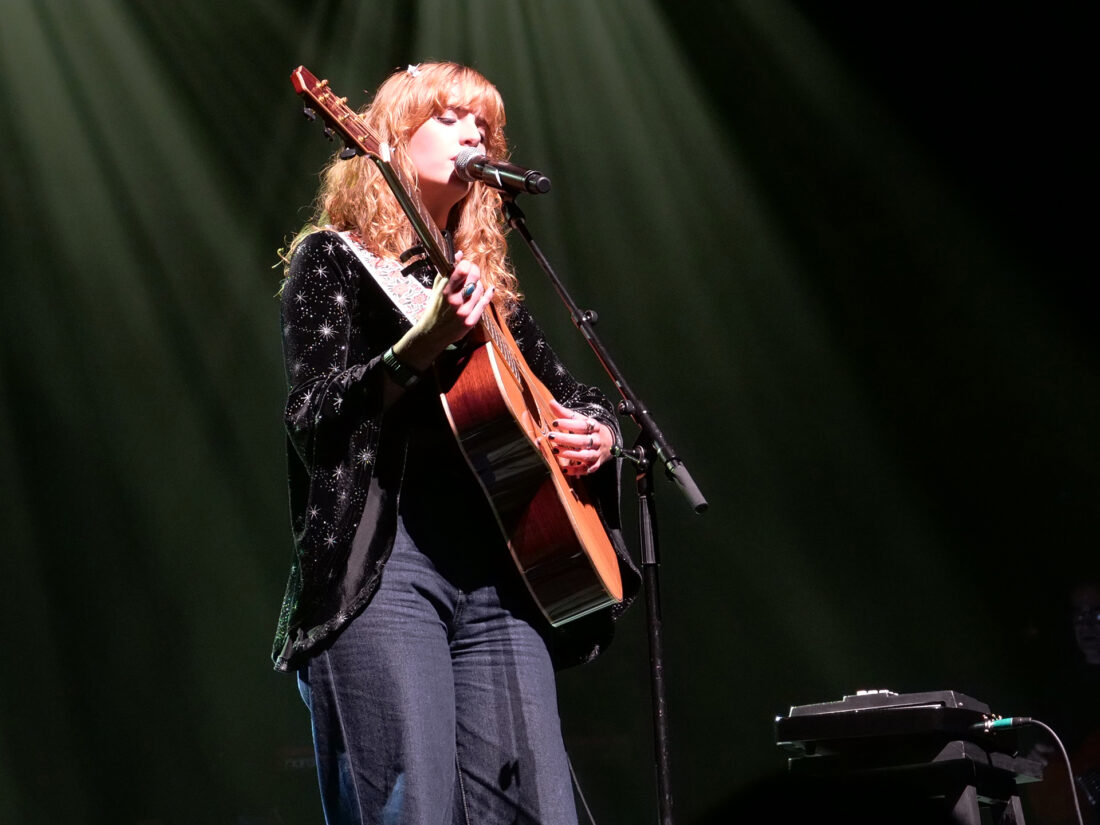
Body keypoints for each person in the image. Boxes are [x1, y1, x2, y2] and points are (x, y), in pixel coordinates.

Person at [271, 61, 640, 825]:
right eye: (451, 116)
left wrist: (596, 434)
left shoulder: (489, 295)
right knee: (415, 804)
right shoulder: (333, 259)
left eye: (486, 123)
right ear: (391, 139)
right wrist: (417, 347)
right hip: (387, 566)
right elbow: (312, 417)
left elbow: (576, 396)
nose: (476, 131)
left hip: (501, 577)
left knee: (538, 806)